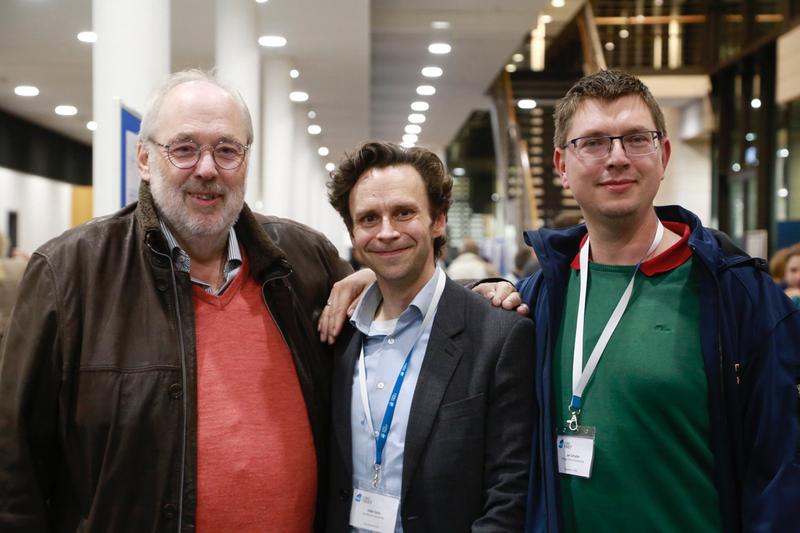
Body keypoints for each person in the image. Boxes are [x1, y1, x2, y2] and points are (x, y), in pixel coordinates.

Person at [0, 69, 359, 532]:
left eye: (226, 149)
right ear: (145, 159)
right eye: (184, 148)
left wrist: (476, 295)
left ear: (245, 162)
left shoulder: (304, 261)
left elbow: (404, 335)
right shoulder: (68, 273)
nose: (207, 169)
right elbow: (13, 462)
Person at [520, 70, 800, 532]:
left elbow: (782, 468)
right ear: (561, 166)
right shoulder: (539, 296)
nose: (616, 158)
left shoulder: (738, 295)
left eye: (635, 139)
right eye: (592, 143)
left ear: (663, 154)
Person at [324, 141, 535, 532]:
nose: (386, 232)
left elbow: (511, 494)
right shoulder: (337, 335)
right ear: (353, 233)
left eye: (403, 213)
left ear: (438, 220)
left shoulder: (498, 334)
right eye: (369, 218)